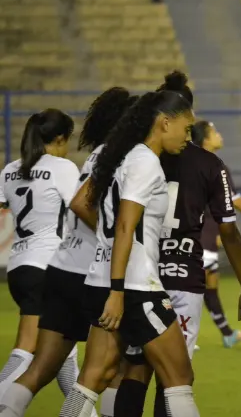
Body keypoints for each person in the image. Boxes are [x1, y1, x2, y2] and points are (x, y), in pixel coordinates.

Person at [112, 73, 241, 417]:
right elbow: (230, 231)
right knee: (175, 376)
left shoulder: (137, 156)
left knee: (133, 367)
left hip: (142, 274)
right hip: (183, 278)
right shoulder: (209, 164)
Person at [58, 91, 198, 417]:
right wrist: (119, 291)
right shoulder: (144, 162)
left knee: (94, 377)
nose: (187, 137)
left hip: (100, 280)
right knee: (180, 377)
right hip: (134, 289)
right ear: (165, 123)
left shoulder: (120, 157)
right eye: (186, 128)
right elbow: (125, 226)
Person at [0, 90, 137, 417]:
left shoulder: (11, 169)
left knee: (49, 364)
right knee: (104, 371)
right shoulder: (102, 160)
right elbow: (80, 204)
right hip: (78, 269)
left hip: (38, 265)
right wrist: (113, 239)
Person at [0, 110, 78, 405]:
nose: (67, 147)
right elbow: (80, 209)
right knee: (27, 348)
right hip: (49, 268)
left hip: (18, 268)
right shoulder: (62, 167)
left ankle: (83, 413)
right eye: (67, 140)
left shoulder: (9, 169)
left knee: (63, 350)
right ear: (59, 138)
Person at [192, 120, 241, 348]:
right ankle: (183, 331)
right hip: (201, 237)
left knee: (208, 286)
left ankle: (224, 332)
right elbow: (235, 200)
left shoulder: (194, 163)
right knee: (196, 286)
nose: (219, 135)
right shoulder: (212, 166)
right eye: (214, 131)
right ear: (205, 139)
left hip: (205, 235)